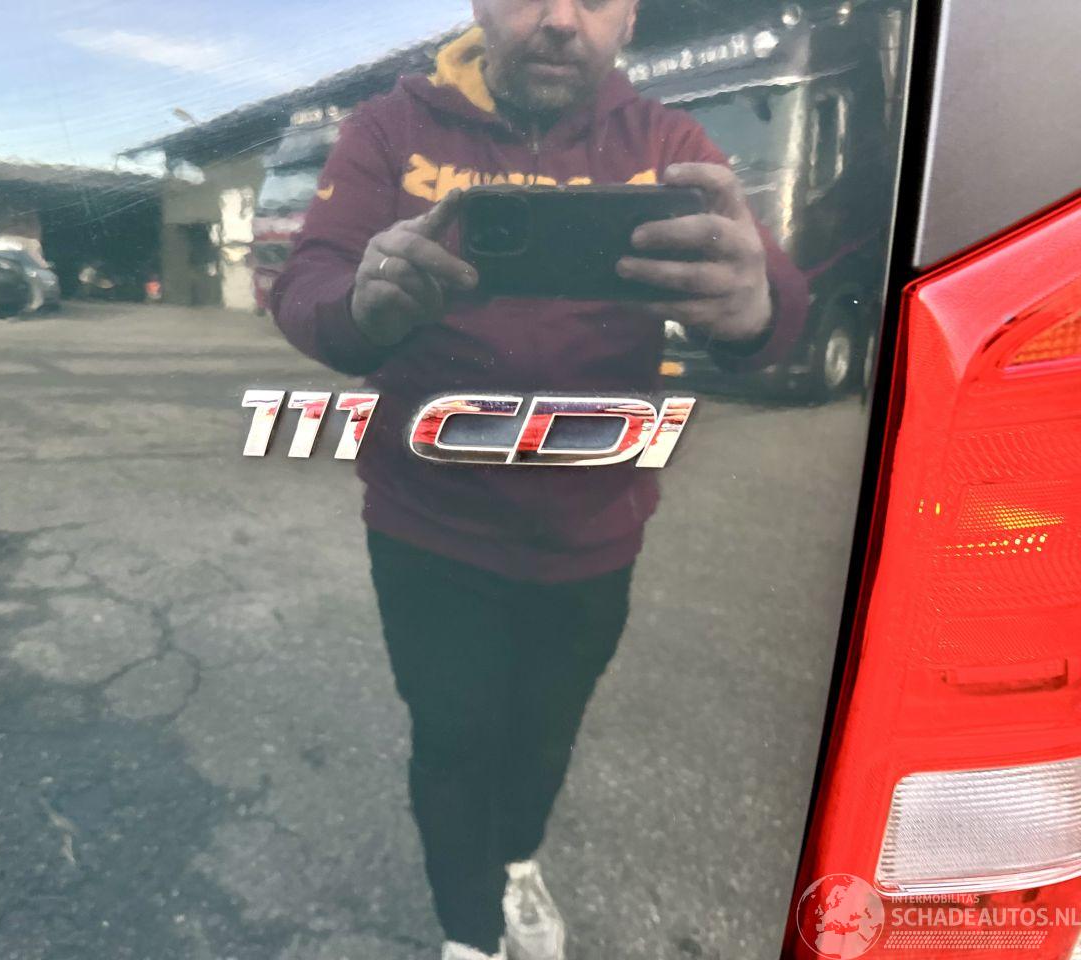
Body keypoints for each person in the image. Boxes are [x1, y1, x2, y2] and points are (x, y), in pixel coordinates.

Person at [271, 1, 808, 957]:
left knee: (548, 731)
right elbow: (307, 280)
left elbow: (772, 295)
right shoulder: (391, 127)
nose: (561, 19)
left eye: (595, 0)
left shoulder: (668, 143)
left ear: (629, 17)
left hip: (597, 529)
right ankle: (468, 934)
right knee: (452, 738)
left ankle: (517, 861)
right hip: (428, 524)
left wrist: (759, 310)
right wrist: (357, 304)